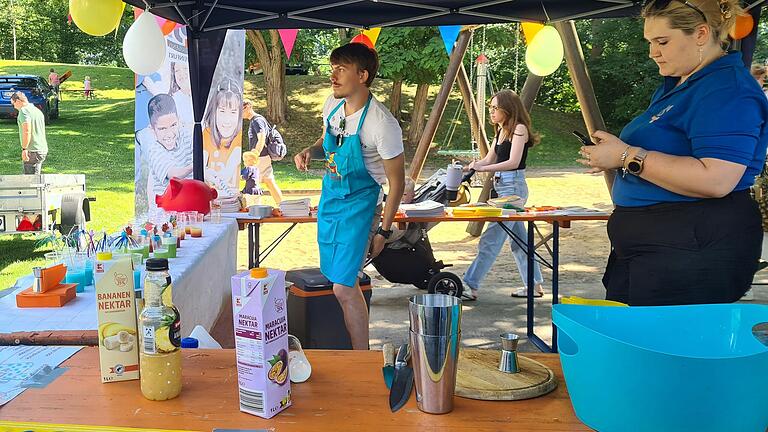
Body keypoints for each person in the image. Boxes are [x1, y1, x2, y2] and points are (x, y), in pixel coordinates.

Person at [579, 0, 768, 306]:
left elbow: (717, 179)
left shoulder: (726, 89)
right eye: (650, 42)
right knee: (635, 343)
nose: (653, 52)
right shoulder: (679, 84)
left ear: (701, 34)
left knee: (666, 347)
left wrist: (626, 156)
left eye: (662, 41)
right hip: (659, 246)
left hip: (692, 245)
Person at [294, 43, 405, 350]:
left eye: (341, 69)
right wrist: (310, 151)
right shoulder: (332, 104)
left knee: (343, 287)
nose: (333, 75)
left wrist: (384, 230)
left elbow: (396, 183)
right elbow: (325, 142)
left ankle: (362, 357)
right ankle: (360, 355)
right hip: (331, 201)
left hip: (361, 205)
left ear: (363, 75)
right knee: (339, 280)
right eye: (333, 68)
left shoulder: (382, 124)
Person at [462, 90, 544, 301]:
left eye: (495, 108)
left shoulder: (519, 129)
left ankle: (470, 284)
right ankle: (533, 284)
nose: (491, 112)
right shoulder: (501, 130)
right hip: (502, 187)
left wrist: (483, 170)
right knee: (519, 240)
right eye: (491, 107)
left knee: (492, 237)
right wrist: (472, 166)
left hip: (513, 188)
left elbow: (513, 162)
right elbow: (490, 158)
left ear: (508, 108)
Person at [146, 93, 193, 198]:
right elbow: (174, 174)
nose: (170, 133)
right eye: (162, 129)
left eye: (173, 125)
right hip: (166, 210)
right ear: (152, 130)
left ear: (179, 120)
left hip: (189, 202)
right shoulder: (154, 150)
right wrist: (195, 166)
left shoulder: (186, 135)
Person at [202, 77, 243, 195]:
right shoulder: (207, 134)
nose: (227, 120)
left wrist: (212, 175)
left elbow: (226, 174)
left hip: (230, 200)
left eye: (233, 112)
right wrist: (206, 173)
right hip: (209, 198)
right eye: (222, 111)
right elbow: (201, 165)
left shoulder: (238, 137)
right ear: (214, 112)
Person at [242, 99, 284, 204]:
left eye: (240, 110)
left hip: (259, 158)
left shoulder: (256, 121)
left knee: (252, 183)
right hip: (263, 157)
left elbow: (262, 137)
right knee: (269, 181)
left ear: (248, 107)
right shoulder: (256, 120)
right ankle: (282, 206)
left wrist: (255, 154)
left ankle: (254, 209)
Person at [11, 92, 48, 174]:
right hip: (42, 148)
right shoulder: (36, 110)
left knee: (30, 181)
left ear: (18, 101)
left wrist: (24, 149)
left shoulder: (24, 112)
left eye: (13, 104)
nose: (14, 107)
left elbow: (27, 131)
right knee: (35, 177)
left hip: (32, 150)